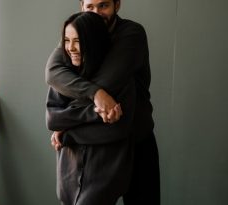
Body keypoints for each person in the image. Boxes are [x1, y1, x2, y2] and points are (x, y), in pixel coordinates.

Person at [46, 0, 160, 204]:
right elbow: (53, 73)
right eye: (90, 7)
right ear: (81, 7)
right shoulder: (75, 35)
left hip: (136, 138)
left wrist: (67, 124)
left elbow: (108, 83)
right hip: (96, 147)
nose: (96, 13)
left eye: (103, 5)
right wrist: (95, 94)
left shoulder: (131, 34)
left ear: (117, 5)